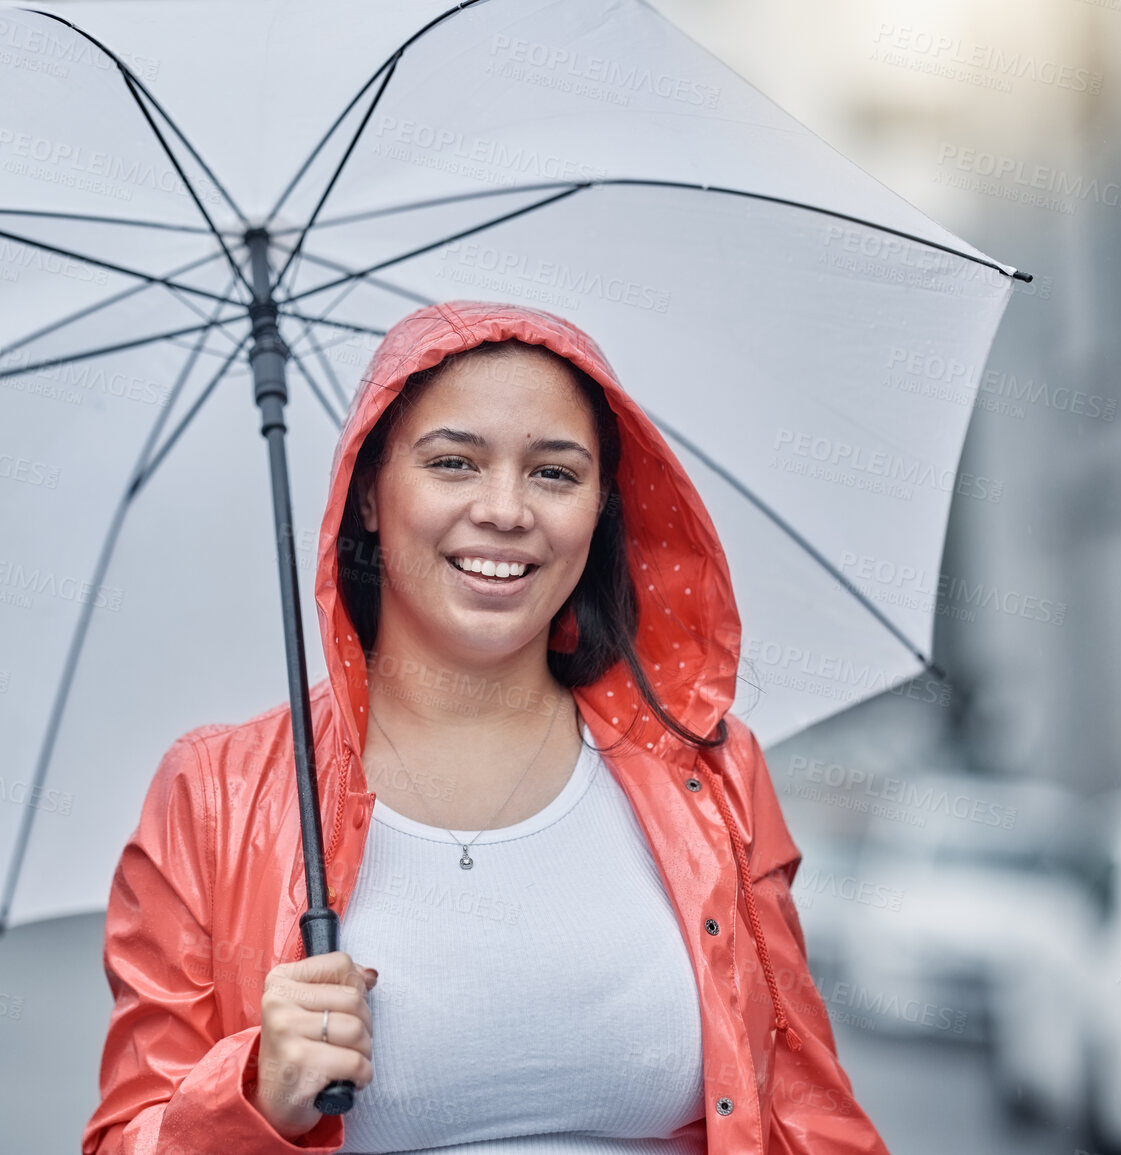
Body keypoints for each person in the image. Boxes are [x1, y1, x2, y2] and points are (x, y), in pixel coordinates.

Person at [82, 301, 891, 1155]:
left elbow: (808, 1114)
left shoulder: (710, 774)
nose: (504, 509)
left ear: (601, 508)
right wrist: (248, 1096)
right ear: (367, 492)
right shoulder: (216, 793)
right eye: (453, 462)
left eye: (554, 473)